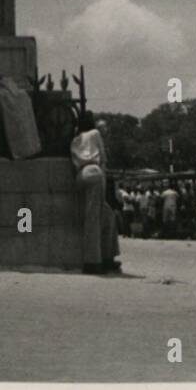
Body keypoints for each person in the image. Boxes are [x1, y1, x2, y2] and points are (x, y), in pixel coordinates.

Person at [70, 111, 118, 273]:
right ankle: (94, 261)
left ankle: (107, 256)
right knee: (95, 218)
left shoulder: (75, 140)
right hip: (95, 172)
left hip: (81, 175)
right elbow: (102, 158)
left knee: (106, 214)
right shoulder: (95, 134)